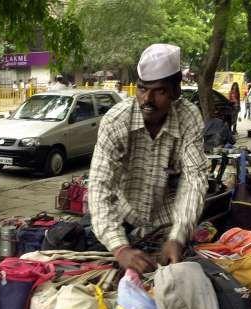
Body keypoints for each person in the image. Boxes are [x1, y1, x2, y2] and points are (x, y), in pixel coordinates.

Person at [89, 43, 209, 274]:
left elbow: (194, 180)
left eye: (159, 91)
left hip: (167, 225)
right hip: (122, 221)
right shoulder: (116, 122)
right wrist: (119, 248)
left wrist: (178, 236)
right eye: (142, 89)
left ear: (175, 91)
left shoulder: (188, 118)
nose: (147, 99)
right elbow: (99, 186)